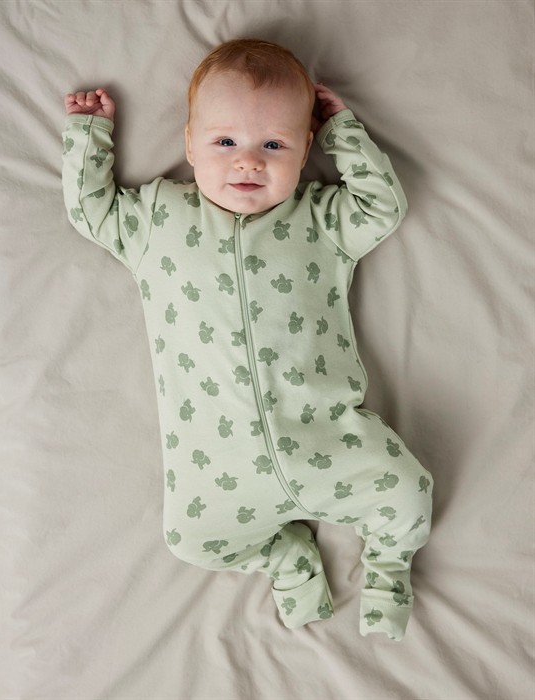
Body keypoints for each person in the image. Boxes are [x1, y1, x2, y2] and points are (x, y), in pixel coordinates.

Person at [62, 38, 432, 640]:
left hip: (329, 439)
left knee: (409, 493)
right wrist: (89, 135)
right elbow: (91, 210)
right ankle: (285, 558)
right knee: (189, 541)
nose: (249, 163)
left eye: (274, 145)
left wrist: (343, 132)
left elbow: (382, 207)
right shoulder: (157, 219)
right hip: (217, 467)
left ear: (306, 149)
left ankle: (388, 574)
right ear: (190, 144)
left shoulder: (320, 219)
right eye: (225, 142)